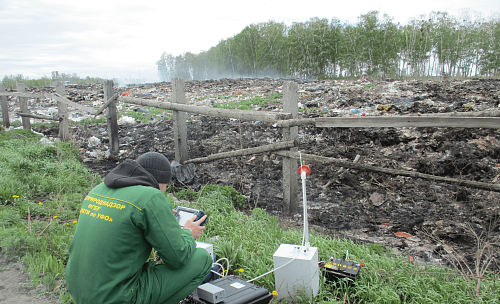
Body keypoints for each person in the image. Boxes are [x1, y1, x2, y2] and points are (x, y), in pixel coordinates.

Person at [65, 152, 212, 304]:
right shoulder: (151, 196)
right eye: (165, 187)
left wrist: (161, 219)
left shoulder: (98, 190)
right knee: (203, 259)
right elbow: (178, 257)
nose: (164, 192)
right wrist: (188, 232)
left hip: (79, 290)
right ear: (160, 182)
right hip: (116, 297)